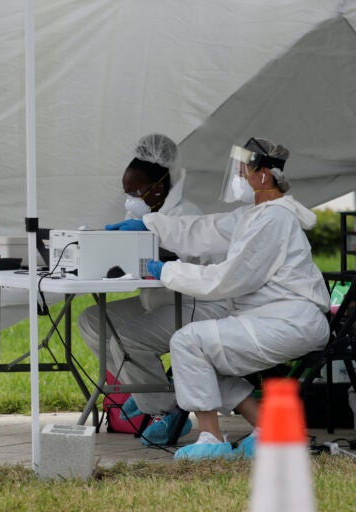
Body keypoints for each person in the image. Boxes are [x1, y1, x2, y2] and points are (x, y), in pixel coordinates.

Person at [140, 137, 330, 459]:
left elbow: (228, 278)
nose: (239, 177)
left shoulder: (273, 219)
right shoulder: (255, 214)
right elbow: (203, 230)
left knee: (189, 343)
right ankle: (269, 428)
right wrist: (149, 225)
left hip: (290, 323)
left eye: (244, 171)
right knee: (203, 353)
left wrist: (166, 271)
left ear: (264, 175)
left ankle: (212, 440)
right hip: (272, 318)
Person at [78, 133, 231, 445]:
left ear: (158, 187)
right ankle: (145, 391)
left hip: (195, 304)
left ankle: (167, 409)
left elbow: (181, 259)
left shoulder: (185, 215)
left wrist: (151, 248)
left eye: (134, 191)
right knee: (93, 320)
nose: (128, 199)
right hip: (158, 300)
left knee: (129, 340)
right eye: (126, 191)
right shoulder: (141, 214)